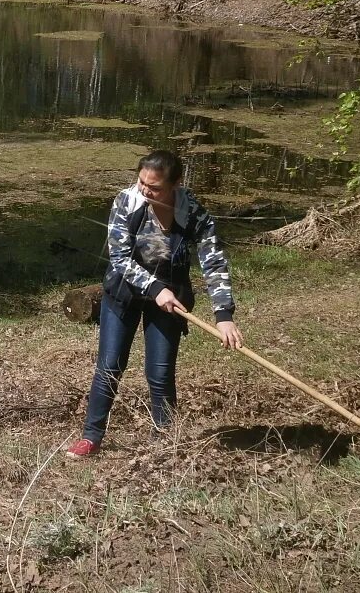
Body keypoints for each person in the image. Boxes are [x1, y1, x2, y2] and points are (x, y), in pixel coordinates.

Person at [67, 150, 243, 459]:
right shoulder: (126, 201)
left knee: (160, 373)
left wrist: (223, 314)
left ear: (176, 183)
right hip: (123, 294)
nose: (146, 190)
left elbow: (213, 262)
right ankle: (91, 437)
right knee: (109, 366)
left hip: (170, 300)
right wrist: (154, 287)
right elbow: (119, 258)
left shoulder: (194, 213)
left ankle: (165, 441)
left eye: (155, 186)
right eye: (142, 182)